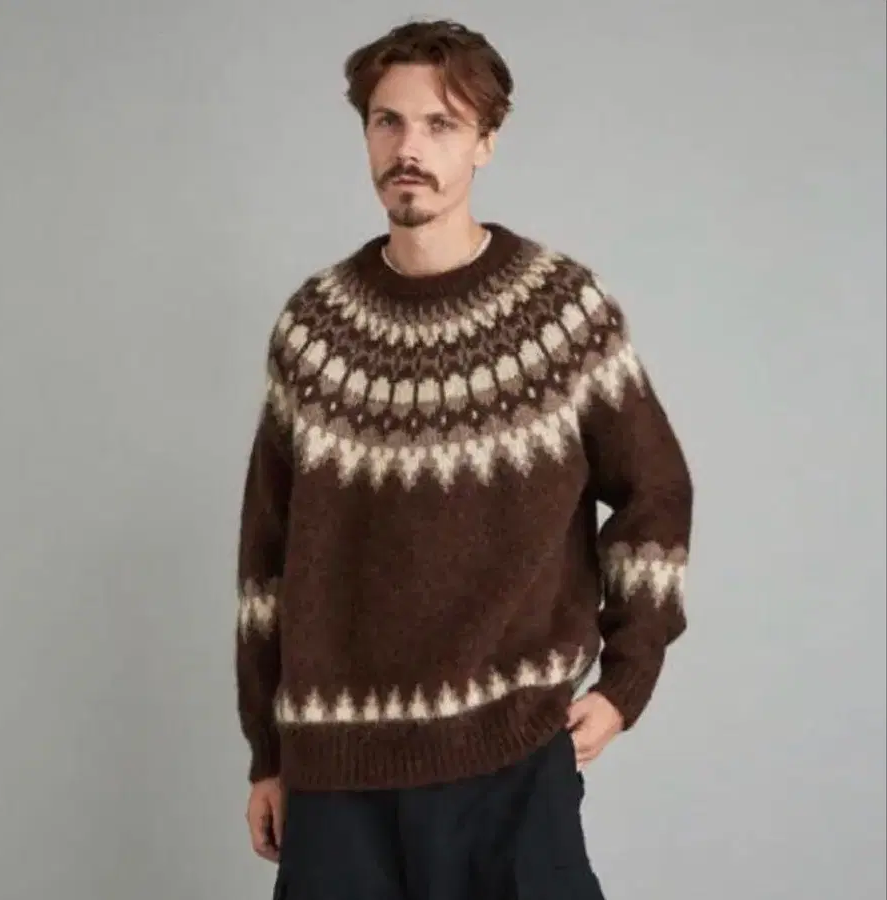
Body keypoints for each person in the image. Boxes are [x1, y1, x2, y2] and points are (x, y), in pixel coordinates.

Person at [234, 17, 693, 899]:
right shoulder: (313, 331)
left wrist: (627, 679)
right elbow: (267, 554)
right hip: (336, 771)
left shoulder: (560, 315)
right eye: (388, 121)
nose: (409, 149)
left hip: (510, 757)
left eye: (440, 124)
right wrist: (268, 751)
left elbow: (655, 491)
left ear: (486, 141)